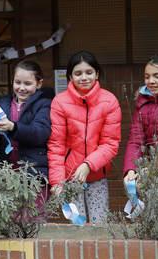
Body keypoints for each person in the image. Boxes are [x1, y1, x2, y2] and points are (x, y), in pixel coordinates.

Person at [48, 51, 121, 224]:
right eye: (78, 73)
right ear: (70, 77)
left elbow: (110, 143)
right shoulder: (59, 102)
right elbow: (56, 145)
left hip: (97, 176)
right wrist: (57, 182)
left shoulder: (109, 101)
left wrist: (88, 164)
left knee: (100, 226)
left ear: (97, 74)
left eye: (89, 72)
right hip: (70, 178)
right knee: (77, 227)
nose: (84, 77)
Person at [0, 60, 54, 205]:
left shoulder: (44, 105)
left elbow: (40, 133)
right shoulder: (2, 104)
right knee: (9, 221)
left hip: (35, 175)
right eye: (17, 82)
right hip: (6, 174)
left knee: (33, 221)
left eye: (27, 83)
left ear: (38, 84)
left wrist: (13, 127)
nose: (21, 88)